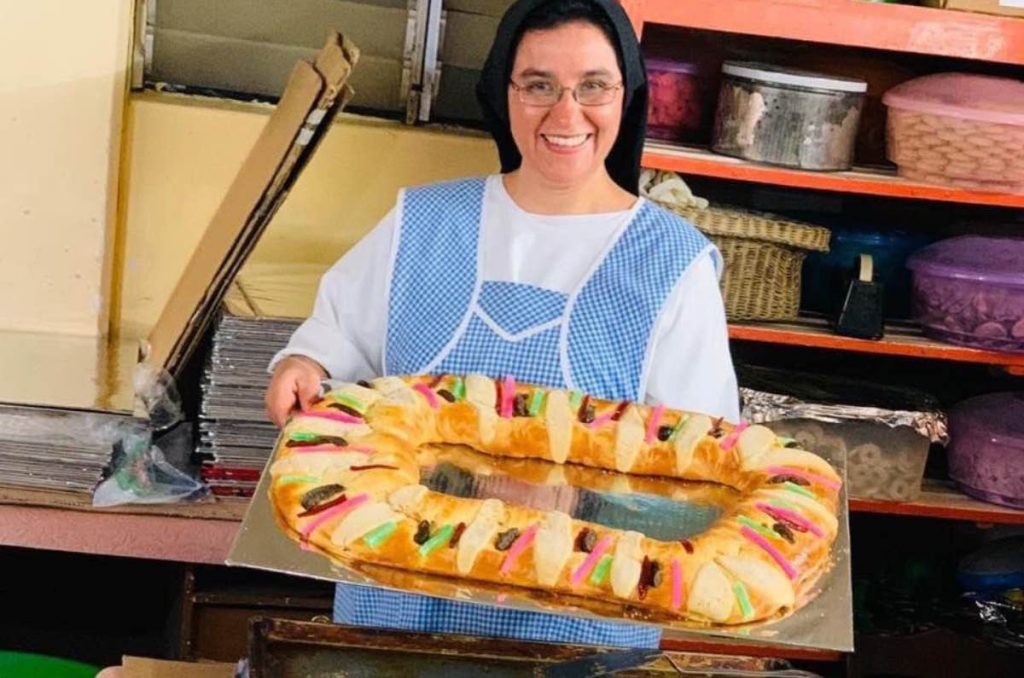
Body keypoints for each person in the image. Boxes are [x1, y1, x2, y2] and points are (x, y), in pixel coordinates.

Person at [265, 0, 739, 648]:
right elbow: (338, 338)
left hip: (576, 638)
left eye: (592, 86)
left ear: (625, 96)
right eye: (539, 85)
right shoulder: (421, 223)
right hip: (398, 622)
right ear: (504, 93)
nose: (565, 114)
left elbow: (699, 481)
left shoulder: (672, 267)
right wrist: (305, 366)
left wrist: (576, 503)